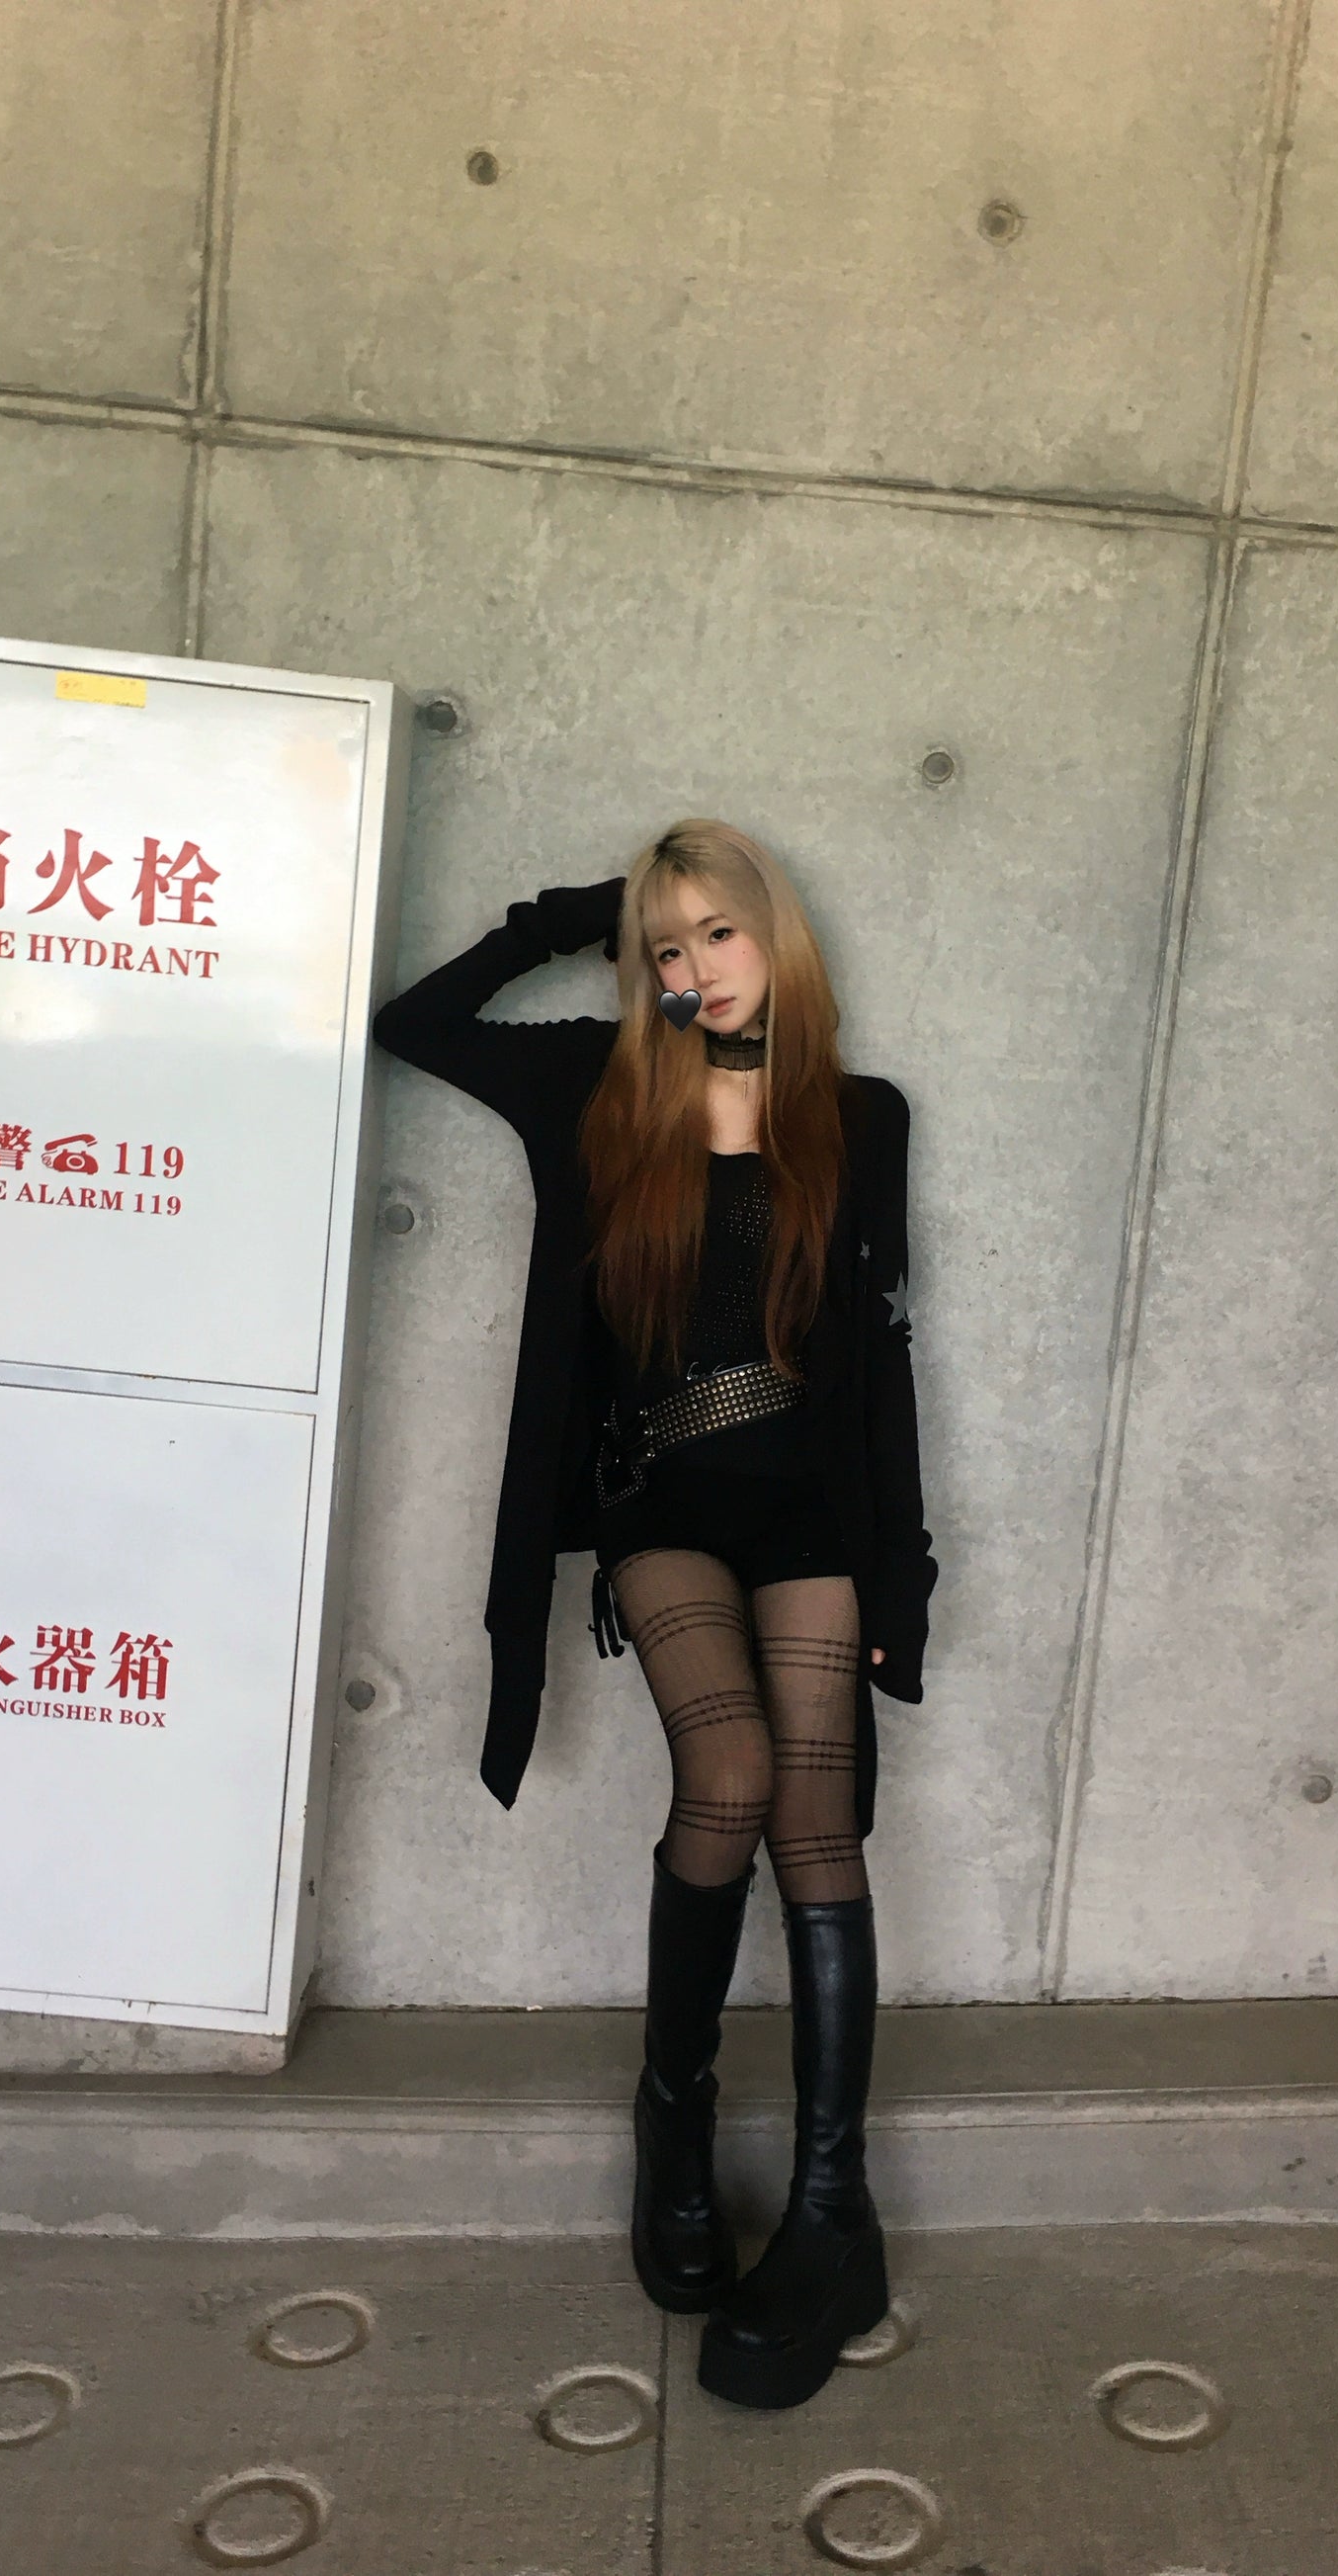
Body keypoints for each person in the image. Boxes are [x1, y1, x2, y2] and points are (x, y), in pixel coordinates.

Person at [373, 818, 935, 2411]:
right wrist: (579, 915)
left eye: (716, 933)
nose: (694, 968)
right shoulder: (596, 1088)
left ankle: (831, 2211)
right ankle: (671, 2120)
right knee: (732, 1774)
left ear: (777, 934)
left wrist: (900, 1575)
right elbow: (412, 1024)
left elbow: (878, 1361)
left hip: (810, 1511)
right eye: (665, 945)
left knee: (819, 1813)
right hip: (661, 1507)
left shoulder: (859, 1118)